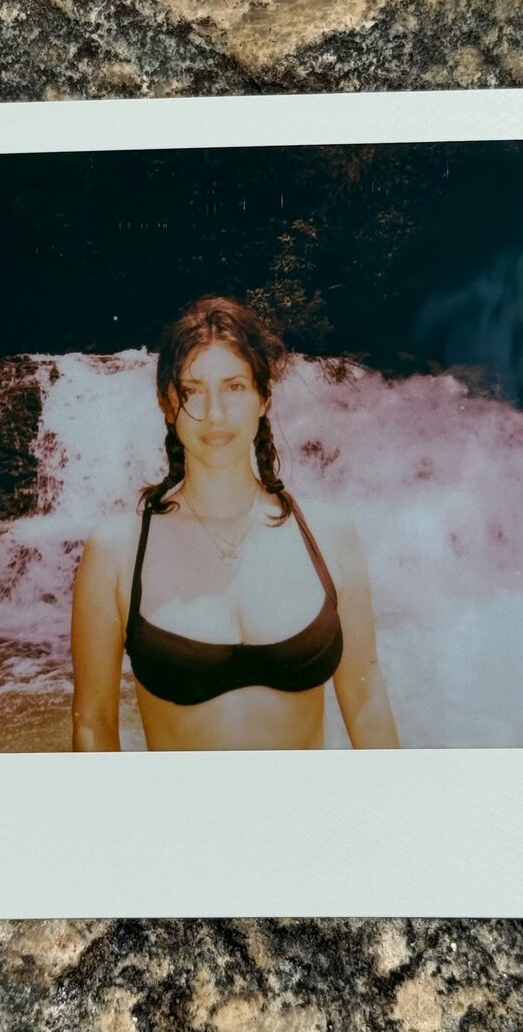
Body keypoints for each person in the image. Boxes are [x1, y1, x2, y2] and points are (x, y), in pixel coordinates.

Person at [71, 295, 399, 751]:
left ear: (264, 398)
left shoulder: (331, 534)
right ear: (168, 404)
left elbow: (366, 700)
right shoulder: (116, 551)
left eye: (234, 387)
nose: (215, 414)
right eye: (192, 391)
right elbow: (93, 723)